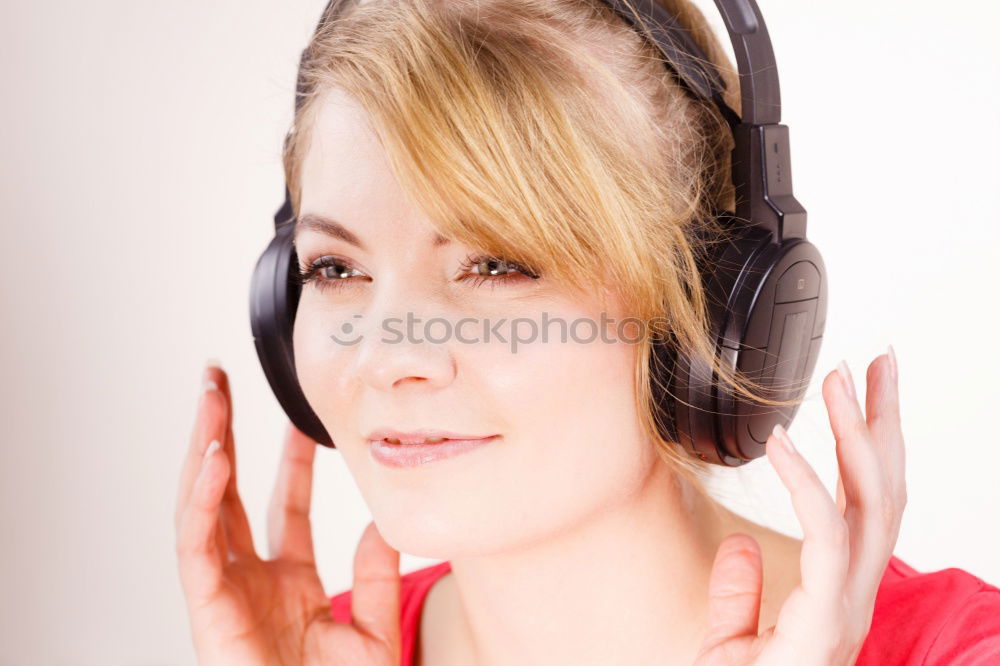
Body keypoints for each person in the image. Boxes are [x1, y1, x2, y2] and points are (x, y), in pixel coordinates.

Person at [174, 0, 1000, 664]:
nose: (390, 358)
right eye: (334, 269)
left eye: (497, 264)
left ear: (708, 309)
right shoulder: (313, 650)